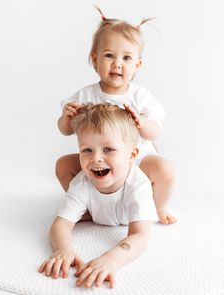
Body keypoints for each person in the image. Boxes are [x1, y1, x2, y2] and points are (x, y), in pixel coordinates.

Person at [56, 8, 176, 224]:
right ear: (95, 60)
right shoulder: (85, 95)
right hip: (98, 158)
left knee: (165, 169)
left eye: (126, 57)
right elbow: (66, 130)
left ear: (137, 65)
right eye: (109, 55)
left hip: (136, 159)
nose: (117, 63)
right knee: (63, 165)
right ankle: (83, 206)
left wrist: (141, 122)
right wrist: (66, 119)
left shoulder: (140, 96)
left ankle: (155, 207)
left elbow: (156, 130)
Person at [39, 103, 158, 288]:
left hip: (129, 215)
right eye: (86, 150)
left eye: (108, 149)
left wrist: (111, 260)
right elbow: (61, 223)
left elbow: (140, 235)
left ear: (132, 154)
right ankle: (86, 211)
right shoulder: (82, 182)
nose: (96, 158)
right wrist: (63, 249)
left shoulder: (138, 184)